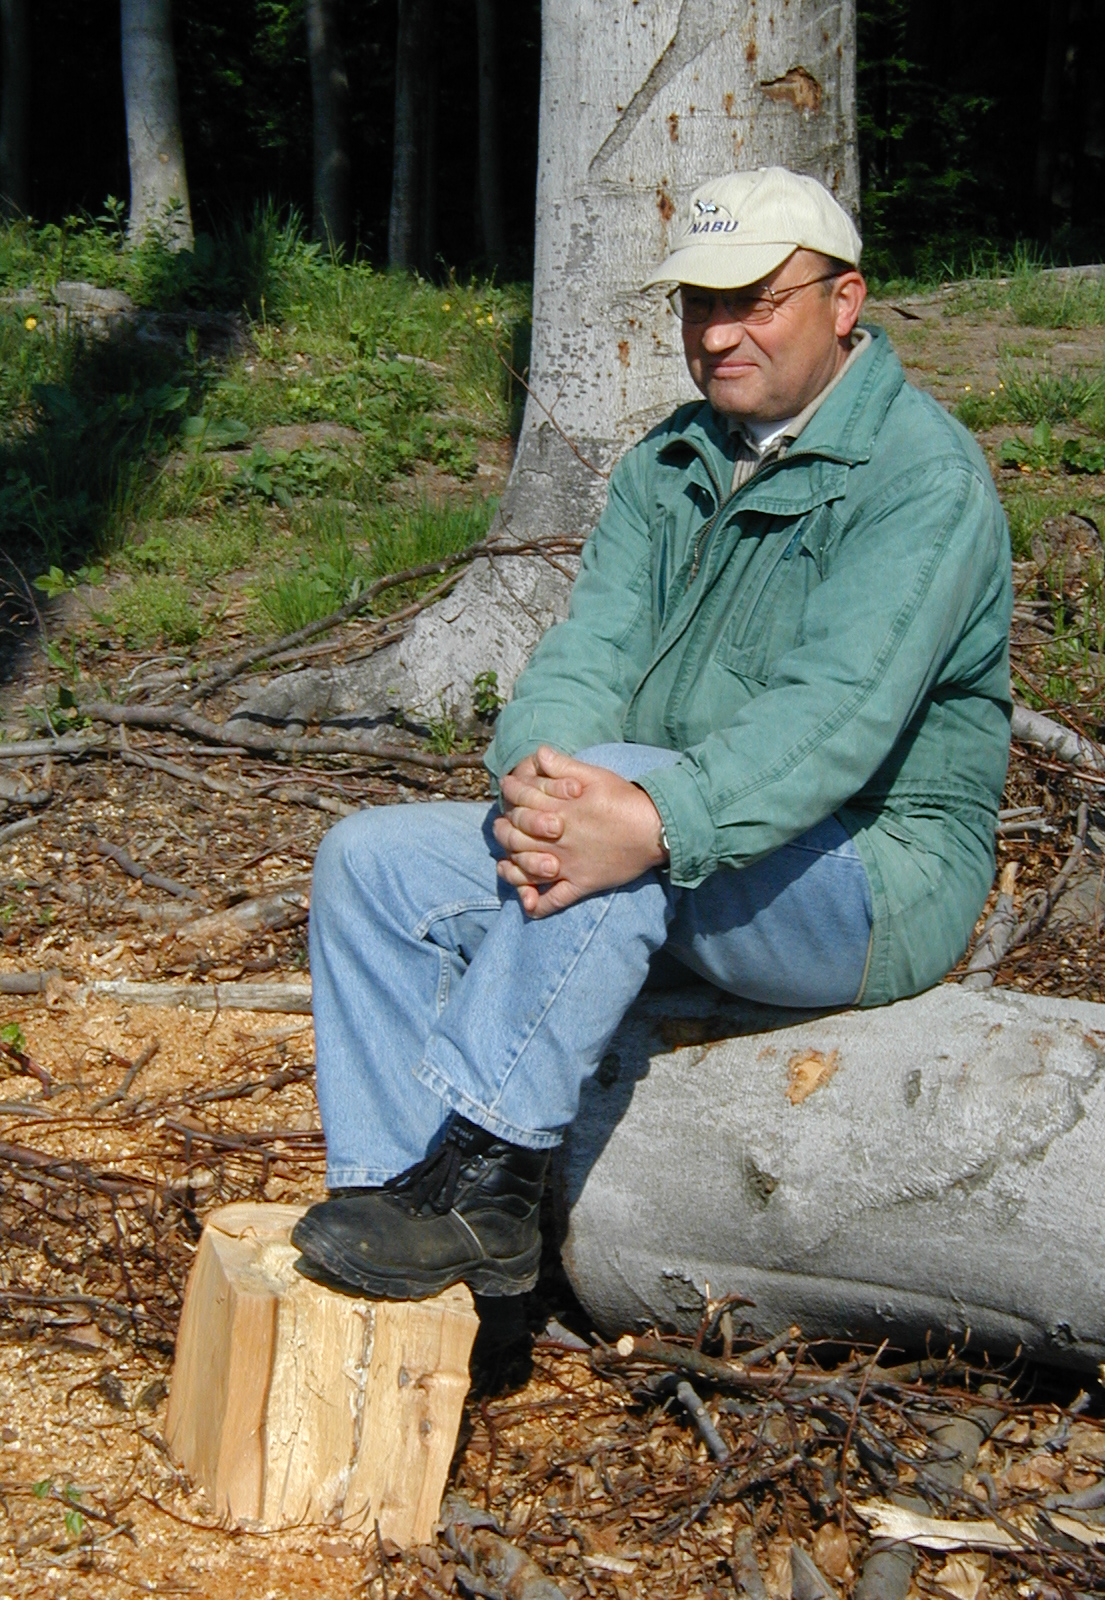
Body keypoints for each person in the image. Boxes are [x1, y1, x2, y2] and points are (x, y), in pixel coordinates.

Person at [291, 168, 1013, 1301]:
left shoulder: (920, 479)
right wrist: (540, 781)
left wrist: (645, 815)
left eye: (757, 300)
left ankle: (490, 1179)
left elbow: (838, 717)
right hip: (690, 834)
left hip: (869, 873)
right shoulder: (667, 463)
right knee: (370, 863)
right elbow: (587, 654)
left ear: (846, 299)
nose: (719, 332)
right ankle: (404, 1213)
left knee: (622, 809)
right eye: (696, 305)